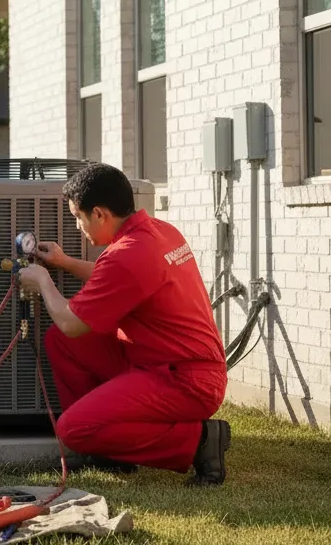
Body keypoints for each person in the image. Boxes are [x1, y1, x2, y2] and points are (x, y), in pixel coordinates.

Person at [18, 164, 230, 486]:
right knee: (60, 342)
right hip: (162, 359)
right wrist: (64, 263)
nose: (78, 226)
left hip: (185, 380)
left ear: (100, 214)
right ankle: (108, 447)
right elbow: (120, 278)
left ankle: (200, 440)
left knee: (72, 429)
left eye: (78, 217)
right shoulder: (158, 232)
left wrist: (44, 282)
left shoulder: (127, 254)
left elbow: (72, 323)